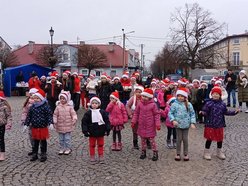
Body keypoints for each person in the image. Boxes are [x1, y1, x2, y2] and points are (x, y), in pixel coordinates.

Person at [200, 86, 240, 160]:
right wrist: (203, 112)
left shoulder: (222, 104)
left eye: (217, 94)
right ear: (211, 95)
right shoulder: (208, 103)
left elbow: (226, 112)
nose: (215, 95)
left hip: (219, 124)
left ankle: (219, 152)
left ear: (220, 95)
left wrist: (234, 112)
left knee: (219, 139)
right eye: (214, 94)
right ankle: (206, 152)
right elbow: (205, 111)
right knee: (209, 139)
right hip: (210, 124)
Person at [23, 89, 53, 162]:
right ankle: (35, 153)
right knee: (35, 141)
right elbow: (29, 116)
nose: (36, 100)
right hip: (35, 126)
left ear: (41, 99)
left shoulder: (45, 106)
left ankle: (43, 153)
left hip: (42, 126)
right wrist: (26, 124)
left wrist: (50, 123)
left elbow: (49, 115)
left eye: (37, 98)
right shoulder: (32, 107)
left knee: (43, 141)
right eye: (34, 98)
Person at [131, 88, 160, 161]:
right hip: (141, 125)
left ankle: (155, 152)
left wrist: (157, 124)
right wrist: (133, 121)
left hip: (150, 125)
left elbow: (156, 114)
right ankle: (143, 152)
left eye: (146, 96)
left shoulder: (153, 105)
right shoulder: (140, 104)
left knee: (151, 140)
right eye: (143, 96)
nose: (144, 98)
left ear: (150, 97)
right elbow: (136, 113)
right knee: (142, 140)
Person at [169, 87, 196, 161]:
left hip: (186, 125)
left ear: (185, 97)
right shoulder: (174, 104)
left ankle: (185, 153)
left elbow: (192, 114)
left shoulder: (189, 104)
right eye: (179, 96)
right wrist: (173, 120)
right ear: (177, 96)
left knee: (185, 139)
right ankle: (178, 153)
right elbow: (170, 113)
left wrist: (192, 122)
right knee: (179, 139)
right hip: (178, 125)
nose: (180, 98)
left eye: (182, 96)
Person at [81, 97, 111, 164]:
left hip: (101, 131)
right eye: (93, 103)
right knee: (92, 145)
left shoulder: (102, 112)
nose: (94, 105)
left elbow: (107, 121)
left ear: (99, 104)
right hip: (91, 132)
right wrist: (85, 131)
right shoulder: (88, 113)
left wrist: (107, 129)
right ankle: (92, 156)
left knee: (101, 144)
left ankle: (101, 155)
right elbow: (84, 122)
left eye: (96, 103)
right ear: (91, 104)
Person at [53, 91, 77, 155]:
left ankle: (67, 148)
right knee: (61, 139)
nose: (62, 100)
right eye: (61, 99)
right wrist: (54, 121)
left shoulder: (70, 107)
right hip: (60, 125)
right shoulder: (58, 107)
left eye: (64, 99)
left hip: (68, 125)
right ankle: (62, 148)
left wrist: (74, 119)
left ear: (67, 99)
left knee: (67, 139)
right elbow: (55, 115)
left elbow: (73, 114)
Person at [21, 88, 39, 156]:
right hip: (30, 122)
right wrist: (23, 120)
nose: (32, 96)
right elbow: (25, 112)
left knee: (38, 136)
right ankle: (34, 148)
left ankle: (39, 149)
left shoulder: (39, 101)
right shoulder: (27, 102)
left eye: (33, 94)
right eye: (31, 94)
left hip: (38, 122)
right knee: (31, 135)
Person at [126, 85, 144, 149]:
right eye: (137, 92)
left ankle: (146, 142)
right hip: (134, 116)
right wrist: (130, 114)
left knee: (144, 130)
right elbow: (127, 106)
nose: (138, 93)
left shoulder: (144, 98)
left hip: (142, 117)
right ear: (135, 92)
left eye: (140, 92)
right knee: (135, 130)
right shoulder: (133, 98)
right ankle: (135, 142)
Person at [0, 91, 12, 161]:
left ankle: (2, 154)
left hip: (1, 124)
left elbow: (9, 116)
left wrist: (9, 124)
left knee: (1, 140)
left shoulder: (4, 107)